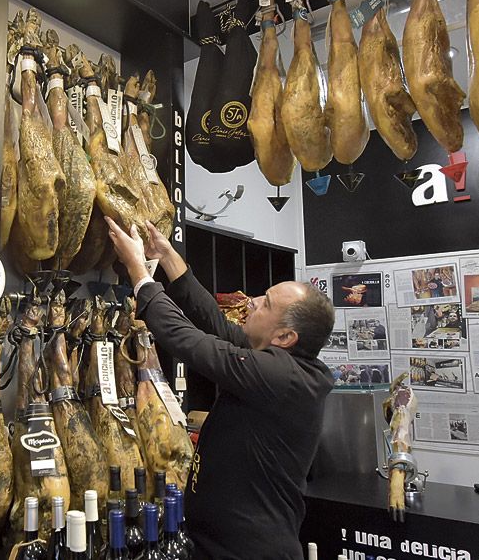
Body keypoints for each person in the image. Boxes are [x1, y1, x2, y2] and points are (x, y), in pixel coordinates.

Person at [105, 218, 334, 560]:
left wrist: (138, 270)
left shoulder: (281, 376)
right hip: (218, 544)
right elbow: (213, 321)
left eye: (266, 303)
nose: (253, 301)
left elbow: (188, 341)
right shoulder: (277, 359)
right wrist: (167, 256)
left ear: (285, 337)